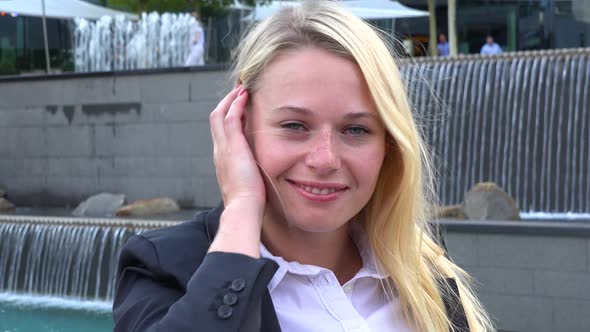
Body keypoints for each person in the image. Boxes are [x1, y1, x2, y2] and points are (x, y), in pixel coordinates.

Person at [113, 1, 494, 331]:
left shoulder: (421, 266)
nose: (325, 159)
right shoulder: (164, 266)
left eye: (356, 129)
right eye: (294, 126)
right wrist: (242, 206)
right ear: (240, 125)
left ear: (388, 145)